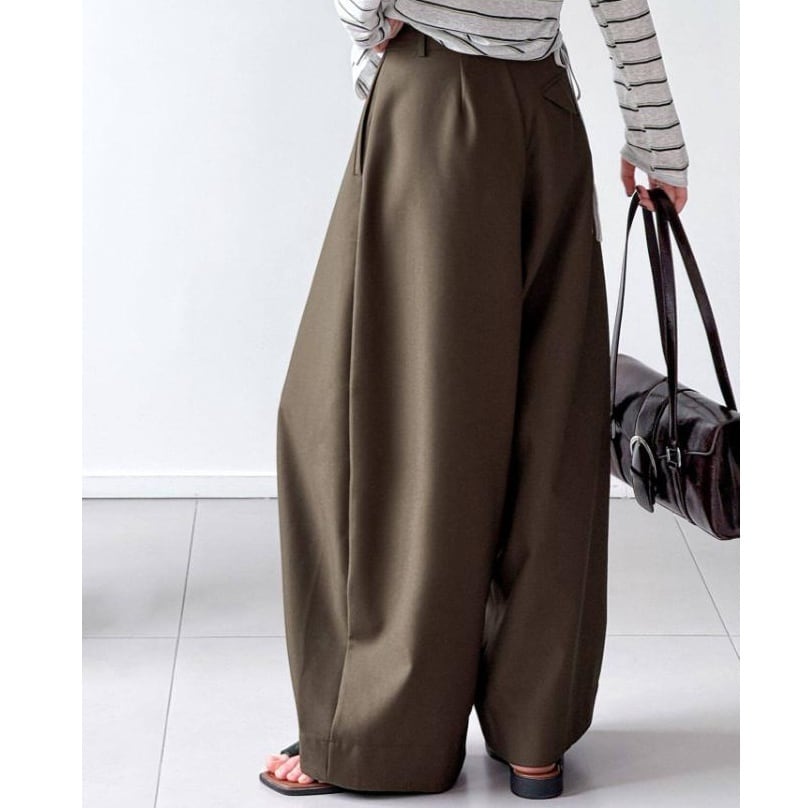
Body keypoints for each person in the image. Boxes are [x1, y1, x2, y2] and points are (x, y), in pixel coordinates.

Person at [261, 0, 689, 799]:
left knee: (395, 421)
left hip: (435, 111)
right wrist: (657, 141)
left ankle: (382, 734)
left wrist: (368, 34)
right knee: (548, 422)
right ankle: (534, 736)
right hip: (547, 116)